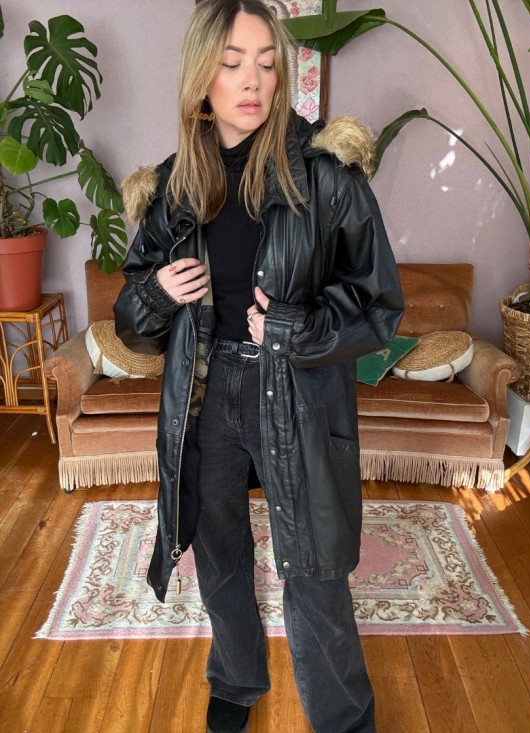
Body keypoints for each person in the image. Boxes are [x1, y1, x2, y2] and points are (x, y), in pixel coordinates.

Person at [115, 0, 404, 730]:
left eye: (268, 64)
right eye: (233, 63)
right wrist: (155, 293)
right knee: (219, 553)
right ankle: (236, 679)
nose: (253, 81)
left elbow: (379, 306)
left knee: (314, 569)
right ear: (201, 79)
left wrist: (294, 328)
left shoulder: (327, 177)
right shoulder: (174, 188)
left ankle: (345, 720)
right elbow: (133, 326)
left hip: (297, 392)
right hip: (205, 393)